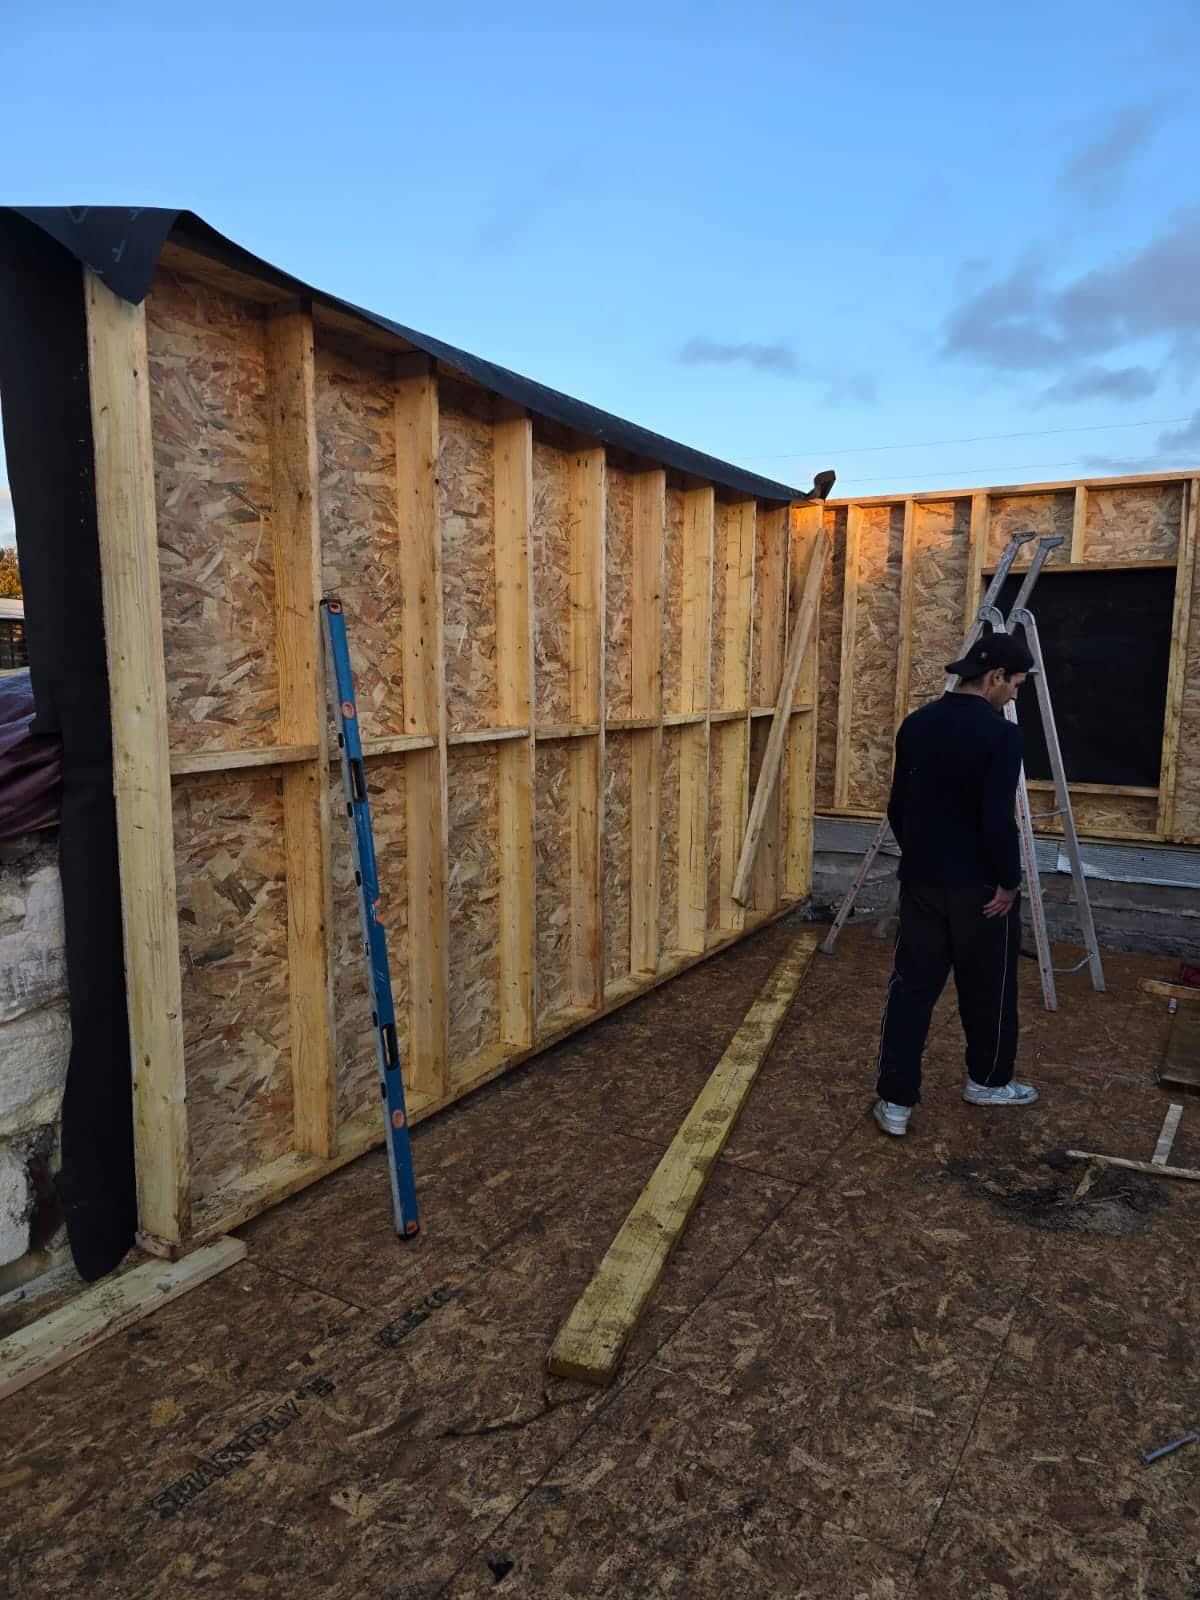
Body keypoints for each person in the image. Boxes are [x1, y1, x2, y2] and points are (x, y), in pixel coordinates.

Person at [873, 629, 1040, 1136]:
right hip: (982, 892)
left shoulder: (917, 724)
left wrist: (922, 859)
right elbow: (996, 819)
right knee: (988, 987)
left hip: (922, 882)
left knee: (911, 989)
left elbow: (898, 808)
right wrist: (1008, 882)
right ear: (994, 677)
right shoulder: (1002, 735)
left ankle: (895, 1104)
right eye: (1015, 684)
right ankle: (987, 1082)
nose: (1015, 694)